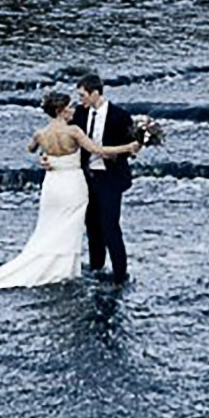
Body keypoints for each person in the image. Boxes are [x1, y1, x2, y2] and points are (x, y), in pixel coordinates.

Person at [0, 92, 139, 291]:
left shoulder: (41, 133)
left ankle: (47, 262)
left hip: (52, 185)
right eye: (69, 107)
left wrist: (46, 155)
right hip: (72, 185)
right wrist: (128, 147)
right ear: (60, 111)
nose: (73, 110)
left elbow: (31, 148)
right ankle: (62, 270)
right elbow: (98, 151)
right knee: (70, 226)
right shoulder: (73, 131)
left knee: (49, 225)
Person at [74, 71, 140, 284]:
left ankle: (120, 274)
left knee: (110, 225)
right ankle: (96, 268)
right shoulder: (80, 113)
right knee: (92, 226)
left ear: (95, 93)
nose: (80, 100)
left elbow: (132, 148)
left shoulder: (120, 116)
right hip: (86, 177)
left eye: (83, 95)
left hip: (110, 178)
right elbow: (66, 138)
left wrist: (131, 148)